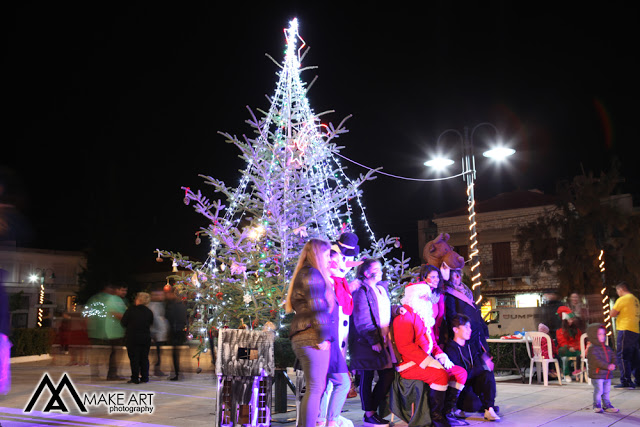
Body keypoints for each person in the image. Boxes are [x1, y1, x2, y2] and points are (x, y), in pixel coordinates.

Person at [392, 279, 468, 427]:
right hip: (409, 364)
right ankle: (436, 418)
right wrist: (429, 361)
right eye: (423, 297)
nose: (427, 300)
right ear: (413, 297)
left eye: (427, 297)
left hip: (425, 360)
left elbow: (431, 343)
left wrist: (441, 355)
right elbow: (405, 347)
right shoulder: (405, 317)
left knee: (459, 373)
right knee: (440, 375)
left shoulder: (424, 317)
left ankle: (446, 412)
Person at [285, 238, 335, 427]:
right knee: (316, 388)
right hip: (312, 335)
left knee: (314, 388)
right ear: (317, 254)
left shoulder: (305, 273)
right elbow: (317, 306)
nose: (329, 259)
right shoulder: (312, 274)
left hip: (303, 335)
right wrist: (323, 336)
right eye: (327, 254)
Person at [349, 258, 404, 427]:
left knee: (387, 375)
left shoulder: (380, 289)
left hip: (383, 339)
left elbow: (383, 309)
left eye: (380, 268)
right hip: (367, 341)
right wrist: (373, 339)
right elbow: (362, 318)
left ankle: (372, 410)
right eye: (376, 268)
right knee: (367, 375)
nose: (380, 271)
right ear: (366, 272)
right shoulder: (361, 291)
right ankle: (369, 414)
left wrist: (396, 310)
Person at [317, 250, 355, 427]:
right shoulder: (323, 283)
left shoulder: (336, 282)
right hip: (326, 340)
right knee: (342, 383)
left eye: (339, 260)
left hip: (331, 339)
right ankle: (329, 422)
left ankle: (323, 421)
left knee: (327, 383)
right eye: (334, 260)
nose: (338, 264)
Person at [445, 314, 499, 422]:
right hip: (460, 388)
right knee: (474, 405)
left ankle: (489, 409)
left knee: (487, 374)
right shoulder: (450, 349)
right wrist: (477, 369)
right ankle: (459, 407)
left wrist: (480, 368)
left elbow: (478, 367)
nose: (469, 330)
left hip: (472, 383)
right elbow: (462, 373)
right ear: (456, 329)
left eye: (470, 327)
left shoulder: (471, 346)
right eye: (466, 327)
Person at [444, 268, 490, 359]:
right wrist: (461, 328)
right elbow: (452, 315)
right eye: (453, 277)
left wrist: (484, 327)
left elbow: (475, 312)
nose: (456, 279)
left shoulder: (466, 292)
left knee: (484, 363)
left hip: (477, 332)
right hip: (466, 334)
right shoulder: (450, 294)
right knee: (472, 361)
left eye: (458, 276)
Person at [610, 281, 640, 389]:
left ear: (621, 289)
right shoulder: (635, 299)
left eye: (617, 291)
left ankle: (626, 381)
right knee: (635, 357)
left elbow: (612, 314)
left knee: (623, 356)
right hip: (635, 330)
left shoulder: (623, 299)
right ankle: (638, 379)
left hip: (625, 329)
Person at [121, 292, 154, 384]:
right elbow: (151, 323)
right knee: (144, 357)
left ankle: (135, 377)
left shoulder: (131, 310)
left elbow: (123, 322)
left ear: (138, 299)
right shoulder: (149, 312)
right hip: (145, 337)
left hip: (133, 337)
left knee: (134, 358)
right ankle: (145, 377)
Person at [586, 323, 619, 413]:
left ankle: (607, 405)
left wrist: (614, 364)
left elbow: (613, 357)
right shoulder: (592, 348)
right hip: (597, 375)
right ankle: (596, 405)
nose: (602, 336)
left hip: (607, 374)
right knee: (599, 390)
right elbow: (596, 361)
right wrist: (607, 366)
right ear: (593, 335)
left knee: (606, 391)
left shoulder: (607, 348)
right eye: (599, 334)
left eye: (603, 334)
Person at [418, 264, 446, 343]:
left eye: (437, 277)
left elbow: (440, 315)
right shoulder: (420, 294)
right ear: (424, 278)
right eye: (433, 277)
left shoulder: (438, 294)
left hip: (436, 333)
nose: (436, 280)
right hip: (423, 334)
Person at [555, 306, 582, 382]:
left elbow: (579, 341)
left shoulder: (576, 330)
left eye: (572, 319)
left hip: (575, 349)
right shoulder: (560, 331)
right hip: (566, 350)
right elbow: (562, 343)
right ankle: (566, 374)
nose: (571, 321)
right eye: (569, 319)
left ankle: (579, 371)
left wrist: (576, 347)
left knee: (581, 354)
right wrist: (569, 347)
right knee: (564, 353)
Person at [148, 289, 169, 376]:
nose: (160, 297)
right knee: (156, 352)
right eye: (157, 295)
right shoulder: (153, 306)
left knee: (157, 352)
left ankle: (156, 369)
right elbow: (155, 319)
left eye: (161, 295)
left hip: (158, 333)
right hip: (156, 333)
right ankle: (156, 369)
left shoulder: (160, 305)